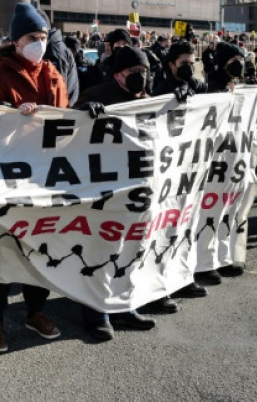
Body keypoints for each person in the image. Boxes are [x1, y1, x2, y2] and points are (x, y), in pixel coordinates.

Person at [0, 3, 67, 353]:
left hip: (45, 177)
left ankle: (35, 311)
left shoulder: (53, 73)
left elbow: (66, 122)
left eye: (44, 36)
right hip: (8, 179)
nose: (40, 43)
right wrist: (13, 117)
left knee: (39, 248)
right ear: (16, 42)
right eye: (33, 37)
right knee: (1, 251)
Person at [74, 47, 163, 339]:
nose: (141, 78)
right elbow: (66, 129)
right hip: (103, 192)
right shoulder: (95, 95)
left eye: (144, 72)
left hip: (136, 191)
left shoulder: (149, 101)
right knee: (100, 250)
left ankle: (124, 307)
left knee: (130, 251)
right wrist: (83, 114)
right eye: (134, 73)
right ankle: (95, 312)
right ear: (118, 75)